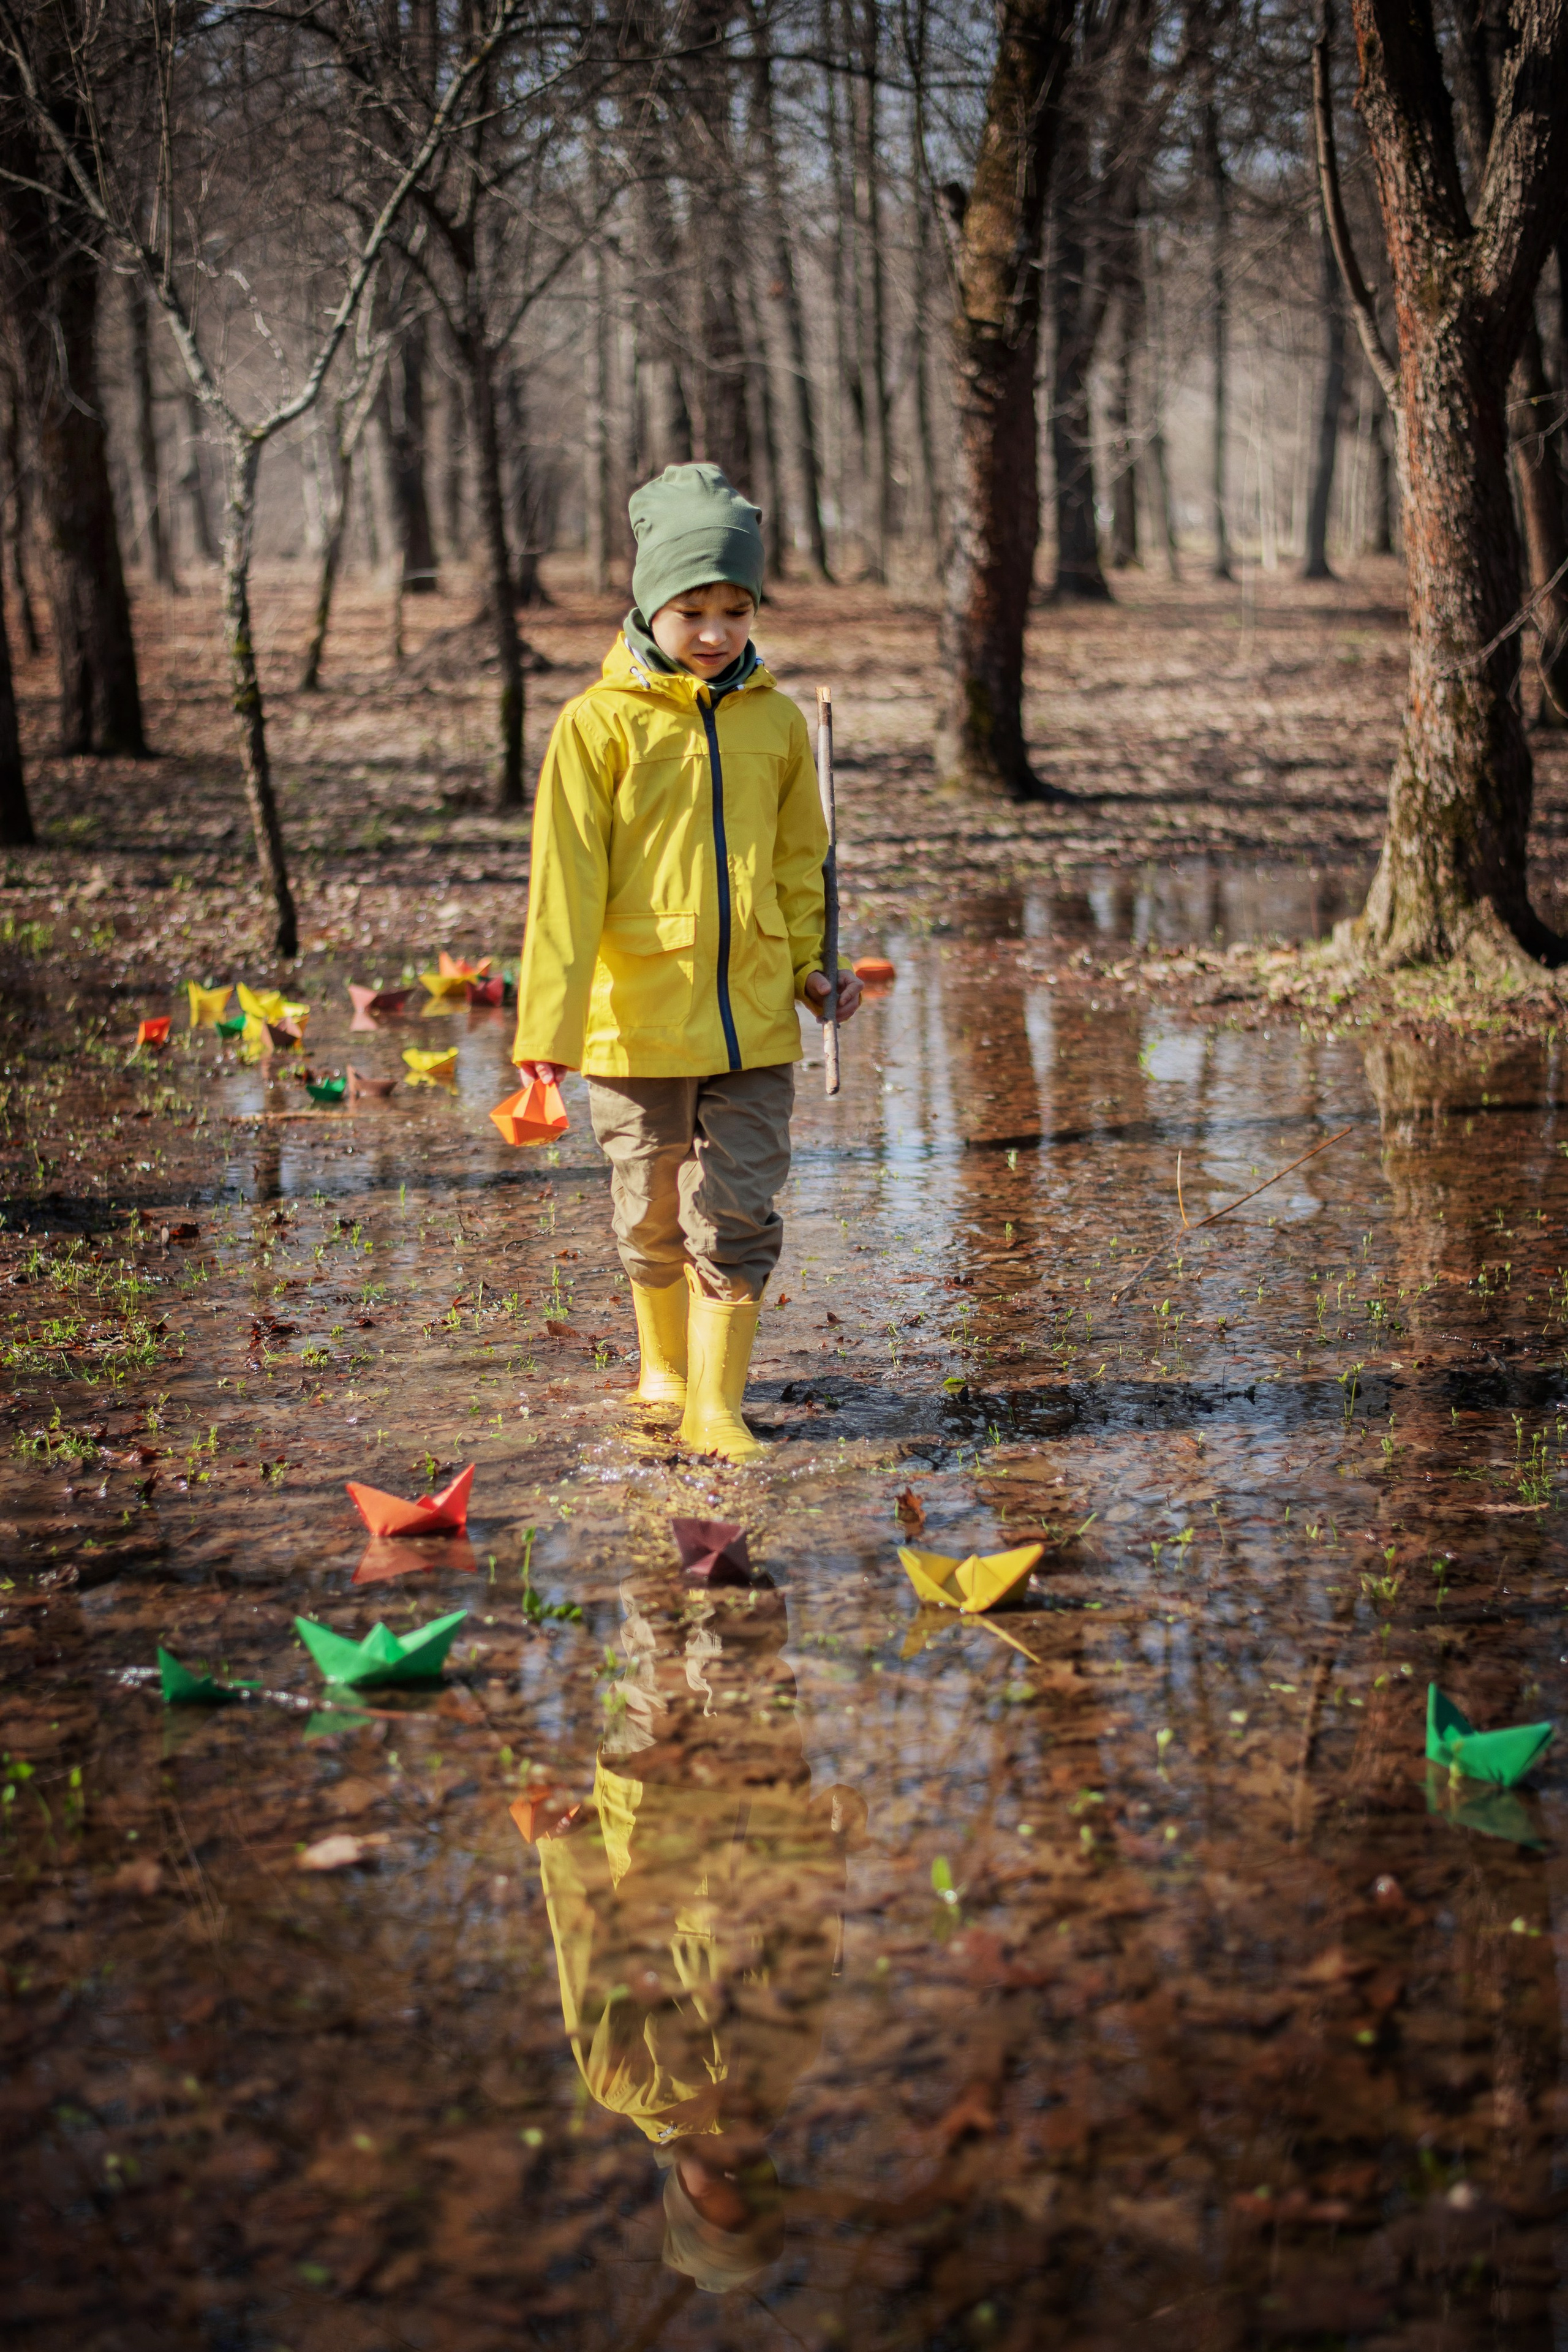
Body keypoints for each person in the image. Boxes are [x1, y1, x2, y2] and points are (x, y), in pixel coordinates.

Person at [511, 463, 861, 1463]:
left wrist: (811, 970)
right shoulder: (597, 727)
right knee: (649, 1211)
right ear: (647, 604)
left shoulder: (781, 724)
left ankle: (716, 1403)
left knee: (738, 1207)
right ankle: (661, 1365)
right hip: (634, 1024)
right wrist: (548, 1032)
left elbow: (802, 866)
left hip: (754, 1020)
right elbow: (564, 889)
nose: (715, 633)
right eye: (692, 609)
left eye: (735, 609)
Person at [516, 1574, 866, 2296]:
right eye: (755, 2188)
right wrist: (827, 1842)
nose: (734, 2171)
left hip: (655, 1802)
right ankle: (718, 1501)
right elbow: (811, 1937)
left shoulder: (628, 2084)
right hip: (763, 1797)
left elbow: (584, 1944)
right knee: (745, 1632)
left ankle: (657, 1498)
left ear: (680, 2197)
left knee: (657, 1640)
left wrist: (558, 1844)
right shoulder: (785, 2065)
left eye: (717, 2194)